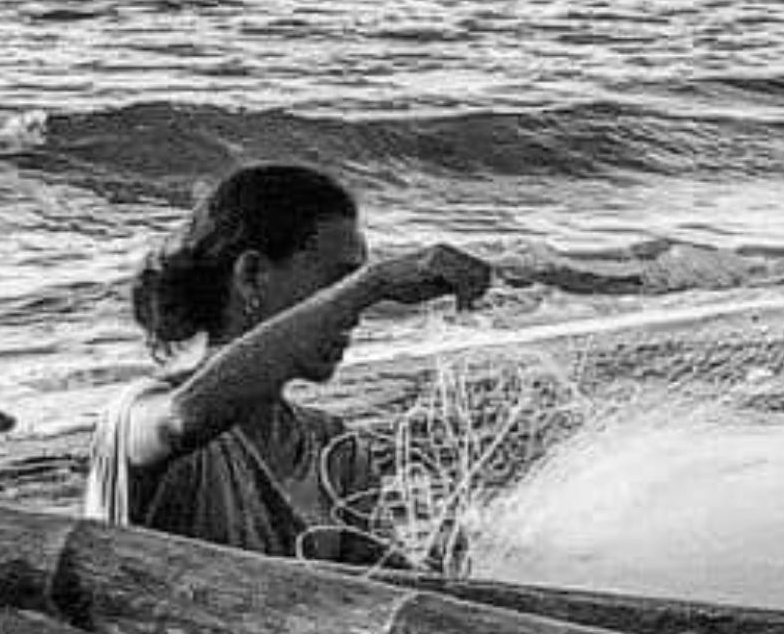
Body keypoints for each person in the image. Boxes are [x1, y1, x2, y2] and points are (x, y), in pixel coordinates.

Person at [88, 158, 493, 561]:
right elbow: (182, 419)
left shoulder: (333, 448)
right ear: (251, 275)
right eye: (337, 284)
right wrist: (374, 283)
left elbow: (372, 586)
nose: (351, 314)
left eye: (351, 288)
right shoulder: (133, 413)